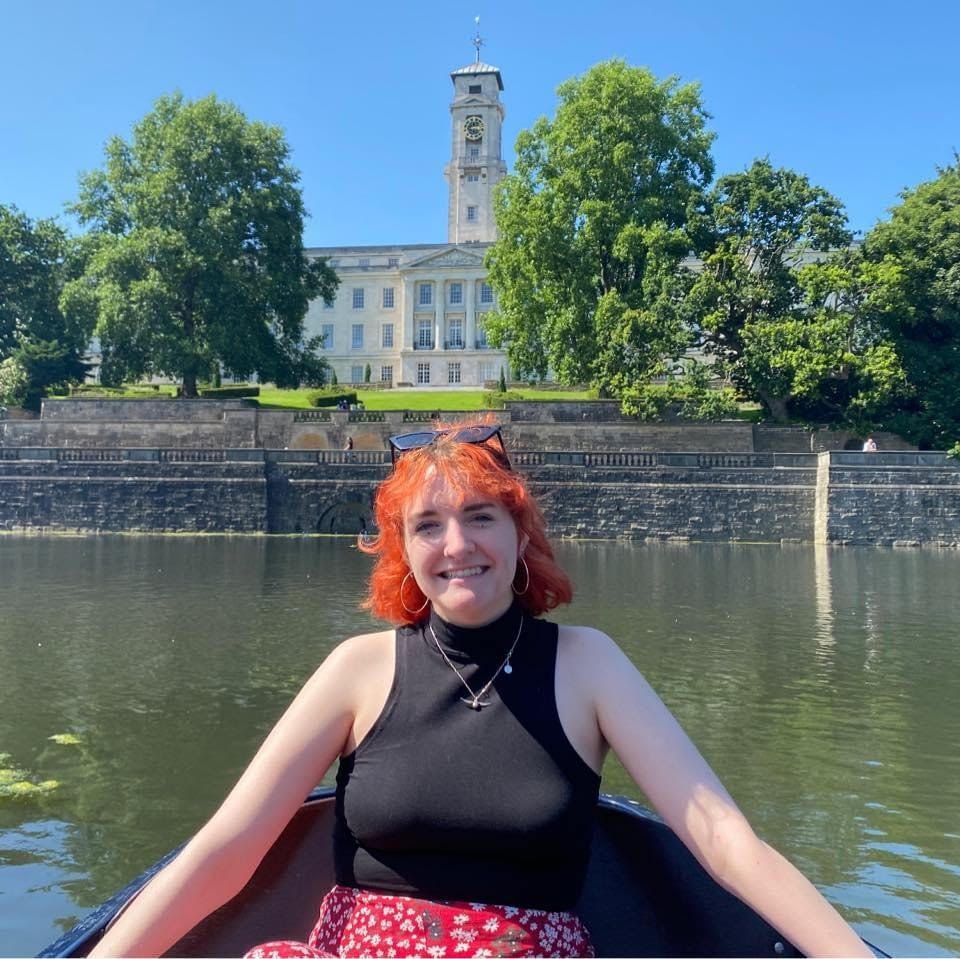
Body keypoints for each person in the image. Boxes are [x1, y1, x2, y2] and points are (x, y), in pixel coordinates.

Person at [88, 420, 871, 959]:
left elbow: (723, 840)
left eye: (481, 516)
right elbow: (228, 848)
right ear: (403, 549)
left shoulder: (589, 664)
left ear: (520, 532)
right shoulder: (357, 668)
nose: (457, 544)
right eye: (428, 524)